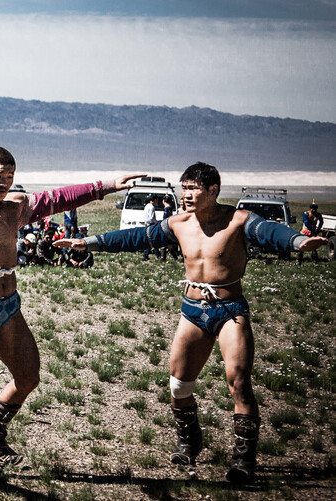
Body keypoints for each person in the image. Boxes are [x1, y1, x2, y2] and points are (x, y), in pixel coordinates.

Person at [55, 162, 326, 482]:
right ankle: (189, 441)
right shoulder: (179, 222)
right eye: (184, 188)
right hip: (192, 311)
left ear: (213, 191)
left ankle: (243, 460)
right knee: (179, 384)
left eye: (193, 188)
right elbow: (137, 238)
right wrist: (90, 242)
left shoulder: (238, 220)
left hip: (230, 310)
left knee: (239, 382)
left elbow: (269, 231)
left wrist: (296, 242)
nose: (186, 194)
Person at [0, 147, 140, 477]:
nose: (3, 183)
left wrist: (109, 184)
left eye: (9, 177)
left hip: (10, 305)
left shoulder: (16, 206)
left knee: (29, 377)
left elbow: (58, 199)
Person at [143, 195, 161, 260]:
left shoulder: (147, 206)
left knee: (150, 240)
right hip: (151, 225)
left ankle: (155, 254)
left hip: (147, 224)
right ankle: (156, 254)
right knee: (153, 239)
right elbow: (151, 218)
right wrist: (156, 222)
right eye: (157, 200)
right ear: (155, 200)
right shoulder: (152, 207)